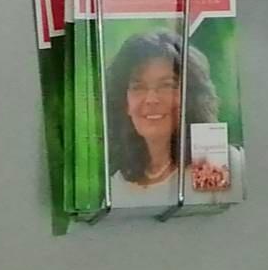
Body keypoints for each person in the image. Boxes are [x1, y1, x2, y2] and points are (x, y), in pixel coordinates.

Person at [101, 27, 238, 207]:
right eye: (138, 87)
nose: (151, 99)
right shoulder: (117, 186)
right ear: (124, 102)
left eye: (167, 85)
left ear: (190, 96)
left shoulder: (213, 160)